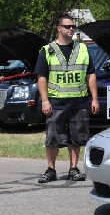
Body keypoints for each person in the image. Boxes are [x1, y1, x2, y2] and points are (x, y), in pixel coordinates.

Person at [35, 13, 99, 183]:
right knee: (52, 139)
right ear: (59, 28)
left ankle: (74, 168)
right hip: (56, 102)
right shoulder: (47, 50)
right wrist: (45, 101)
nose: (71, 29)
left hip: (78, 101)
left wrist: (94, 98)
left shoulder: (83, 48)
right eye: (67, 26)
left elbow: (90, 74)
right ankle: (50, 170)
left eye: (73, 26)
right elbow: (42, 77)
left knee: (76, 138)